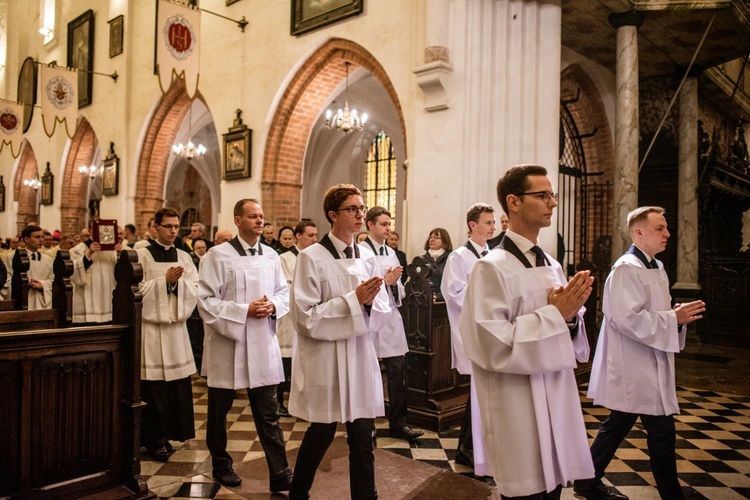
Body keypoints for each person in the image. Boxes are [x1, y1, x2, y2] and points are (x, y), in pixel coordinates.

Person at [459, 164, 595, 499]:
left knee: (552, 491)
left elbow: (569, 330)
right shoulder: (490, 267)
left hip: (556, 397)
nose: (552, 203)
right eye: (542, 195)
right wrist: (554, 315)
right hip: (516, 404)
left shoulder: (552, 264)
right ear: (514, 202)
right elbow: (490, 344)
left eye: (553, 195)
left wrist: (569, 319)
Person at [574, 207, 706, 500]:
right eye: (660, 228)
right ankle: (672, 496)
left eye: (666, 227)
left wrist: (673, 316)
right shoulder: (626, 268)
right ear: (639, 232)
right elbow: (626, 318)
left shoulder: (655, 266)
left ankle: (586, 480)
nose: (668, 234)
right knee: (661, 433)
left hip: (651, 362)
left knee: (619, 425)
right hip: (634, 365)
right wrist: (674, 320)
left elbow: (651, 313)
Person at [289, 184, 388, 500]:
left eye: (362, 208)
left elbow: (382, 309)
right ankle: (298, 492)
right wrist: (353, 301)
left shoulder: (368, 257)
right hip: (327, 359)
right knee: (321, 432)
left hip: (358, 356)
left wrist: (369, 304)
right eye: (352, 209)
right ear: (333, 215)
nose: (361, 214)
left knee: (362, 437)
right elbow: (304, 316)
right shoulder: (310, 257)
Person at [198, 199, 293, 492]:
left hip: (262, 341)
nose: (259, 221)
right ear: (238, 220)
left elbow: (283, 291)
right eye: (253, 216)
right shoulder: (217, 256)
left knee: (269, 412)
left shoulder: (271, 255)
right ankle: (221, 465)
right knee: (219, 411)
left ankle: (280, 472)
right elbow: (206, 300)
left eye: (262, 216)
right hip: (229, 343)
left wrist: (273, 306)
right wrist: (243, 311)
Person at [136, 208, 198, 462]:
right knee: (153, 389)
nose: (173, 231)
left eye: (176, 227)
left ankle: (174, 433)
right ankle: (154, 439)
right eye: (168, 226)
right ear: (155, 227)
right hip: (151, 331)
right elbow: (135, 290)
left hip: (175, 330)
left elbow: (195, 287)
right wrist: (164, 281)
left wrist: (174, 283)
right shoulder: (141, 255)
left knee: (176, 386)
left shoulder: (184, 256)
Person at [440, 203, 495, 473]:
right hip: (470, 328)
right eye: (488, 222)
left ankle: (468, 450)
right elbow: (452, 292)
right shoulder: (459, 257)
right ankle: (468, 450)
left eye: (493, 222)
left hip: (489, 328)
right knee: (478, 390)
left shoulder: (492, 254)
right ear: (473, 225)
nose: (493, 227)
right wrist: (485, 302)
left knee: (482, 392)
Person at [360, 207, 424, 441]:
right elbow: (360, 288)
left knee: (397, 372)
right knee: (368, 373)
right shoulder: (360, 251)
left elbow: (400, 288)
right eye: (384, 224)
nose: (388, 228)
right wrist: (385, 283)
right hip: (369, 320)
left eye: (389, 224)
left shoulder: (392, 253)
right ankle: (367, 425)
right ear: (370, 225)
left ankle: (398, 423)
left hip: (391, 321)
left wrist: (394, 285)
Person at [277, 221, 318, 416]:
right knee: (285, 360)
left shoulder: (316, 257)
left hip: (310, 315)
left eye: (316, 235)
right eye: (310, 235)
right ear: (298, 236)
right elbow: (283, 285)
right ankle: (279, 401)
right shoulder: (285, 258)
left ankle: (305, 401)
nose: (314, 239)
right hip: (288, 317)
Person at [70, 223, 122, 323]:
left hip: (107, 295)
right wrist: (89, 253)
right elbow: (73, 272)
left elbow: (119, 272)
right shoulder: (77, 249)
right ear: (90, 231)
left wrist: (119, 253)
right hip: (87, 296)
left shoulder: (111, 250)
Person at [19, 225, 54, 310]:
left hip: (42, 302)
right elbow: (7, 280)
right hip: (22, 301)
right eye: (37, 237)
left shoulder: (48, 260)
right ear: (26, 239)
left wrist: (42, 284)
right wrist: (23, 282)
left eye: (42, 237)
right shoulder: (14, 258)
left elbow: (53, 280)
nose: (42, 240)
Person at [421, 227, 452, 301]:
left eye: (436, 237)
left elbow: (453, 283)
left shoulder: (451, 258)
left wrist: (438, 296)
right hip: (425, 301)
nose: (431, 240)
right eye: (430, 237)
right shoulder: (421, 259)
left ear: (444, 241)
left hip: (445, 302)